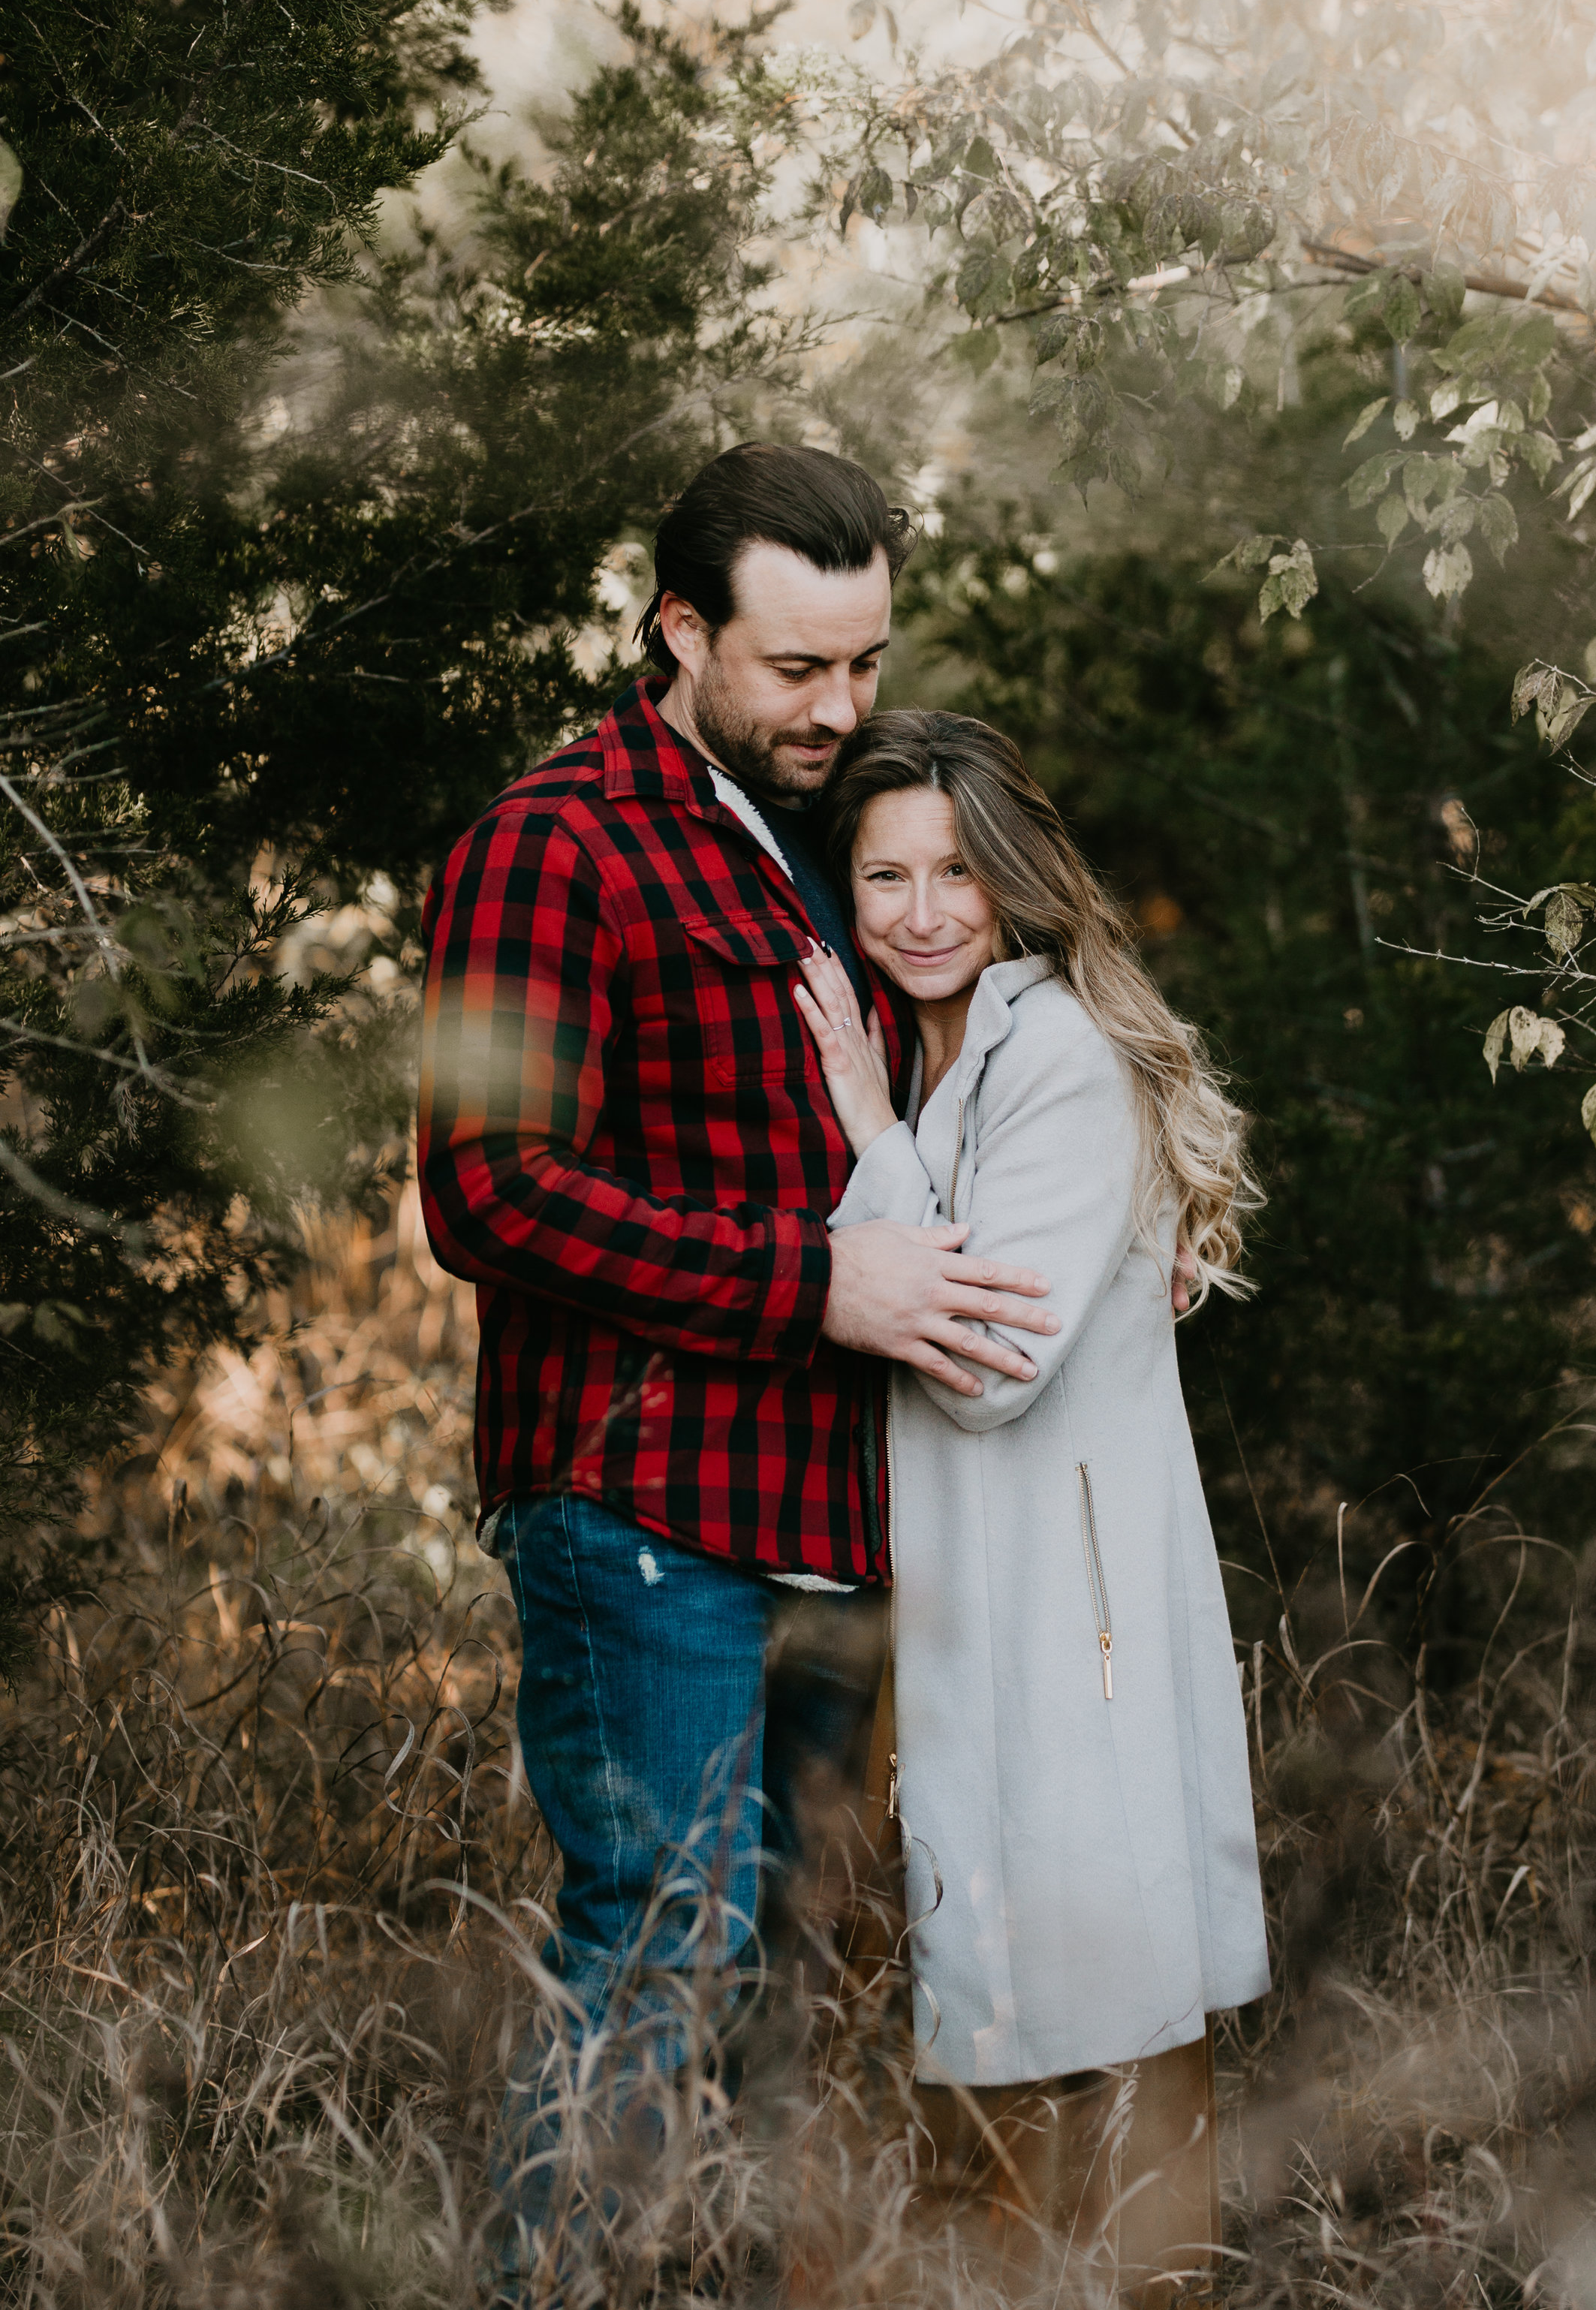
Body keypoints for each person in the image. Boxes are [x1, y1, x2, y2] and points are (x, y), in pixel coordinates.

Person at [417, 449, 1063, 2284]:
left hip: (831, 1521)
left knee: (772, 1977)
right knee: (656, 1947)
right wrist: (814, 1290)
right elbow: (488, 1192)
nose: (838, 707)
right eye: (795, 668)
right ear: (679, 631)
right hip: (640, 1511)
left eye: (862, 661)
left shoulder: (833, 833)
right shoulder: (551, 843)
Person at [791, 708, 1271, 2305]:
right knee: (1022, 2021)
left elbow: (983, 1365)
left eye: (952, 872)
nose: (920, 910)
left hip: (1074, 1634)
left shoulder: (1050, 1055)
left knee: (1104, 2034)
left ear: (1012, 882)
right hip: (993, 1616)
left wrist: (866, 1142)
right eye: (881, 877)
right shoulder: (966, 1055)